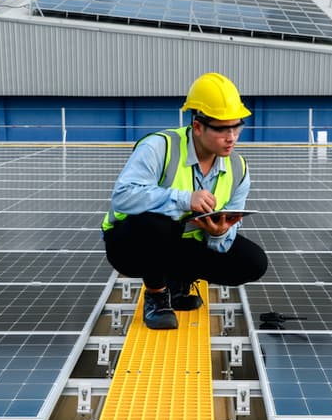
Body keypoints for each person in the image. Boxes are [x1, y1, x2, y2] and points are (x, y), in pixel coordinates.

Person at [102, 72, 268, 330]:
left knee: (253, 262)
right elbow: (123, 197)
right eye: (222, 128)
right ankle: (157, 295)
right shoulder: (160, 147)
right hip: (131, 244)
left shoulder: (239, 168)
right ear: (198, 125)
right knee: (156, 223)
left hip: (186, 242)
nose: (232, 136)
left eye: (237, 126)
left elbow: (229, 232)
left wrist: (219, 233)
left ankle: (178, 282)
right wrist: (184, 199)